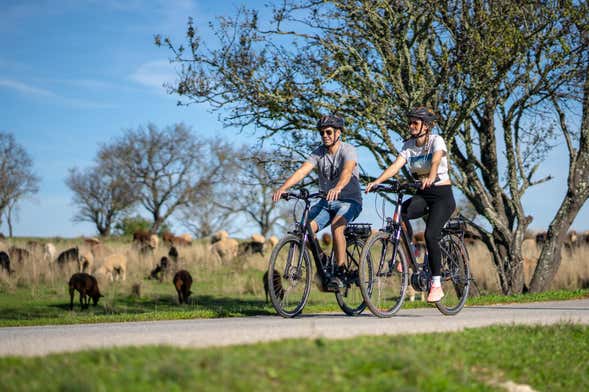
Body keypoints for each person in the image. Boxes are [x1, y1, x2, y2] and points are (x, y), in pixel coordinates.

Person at [365, 107, 456, 302]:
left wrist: (431, 178)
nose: (411, 126)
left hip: (442, 195)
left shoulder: (436, 140)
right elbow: (396, 166)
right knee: (401, 213)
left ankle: (437, 284)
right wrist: (377, 181)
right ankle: (411, 250)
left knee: (431, 236)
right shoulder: (408, 145)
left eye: (415, 122)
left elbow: (436, 161)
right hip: (423, 193)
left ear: (426, 125)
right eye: (410, 122)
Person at [272, 114, 362, 289]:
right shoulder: (318, 153)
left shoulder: (348, 150)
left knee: (337, 226)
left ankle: (341, 270)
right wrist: (283, 188)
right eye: (322, 133)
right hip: (326, 201)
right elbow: (302, 171)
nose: (325, 136)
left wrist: (338, 188)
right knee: (304, 229)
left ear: (338, 133)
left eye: (328, 132)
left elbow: (347, 171)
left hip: (349, 201)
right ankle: (322, 260)